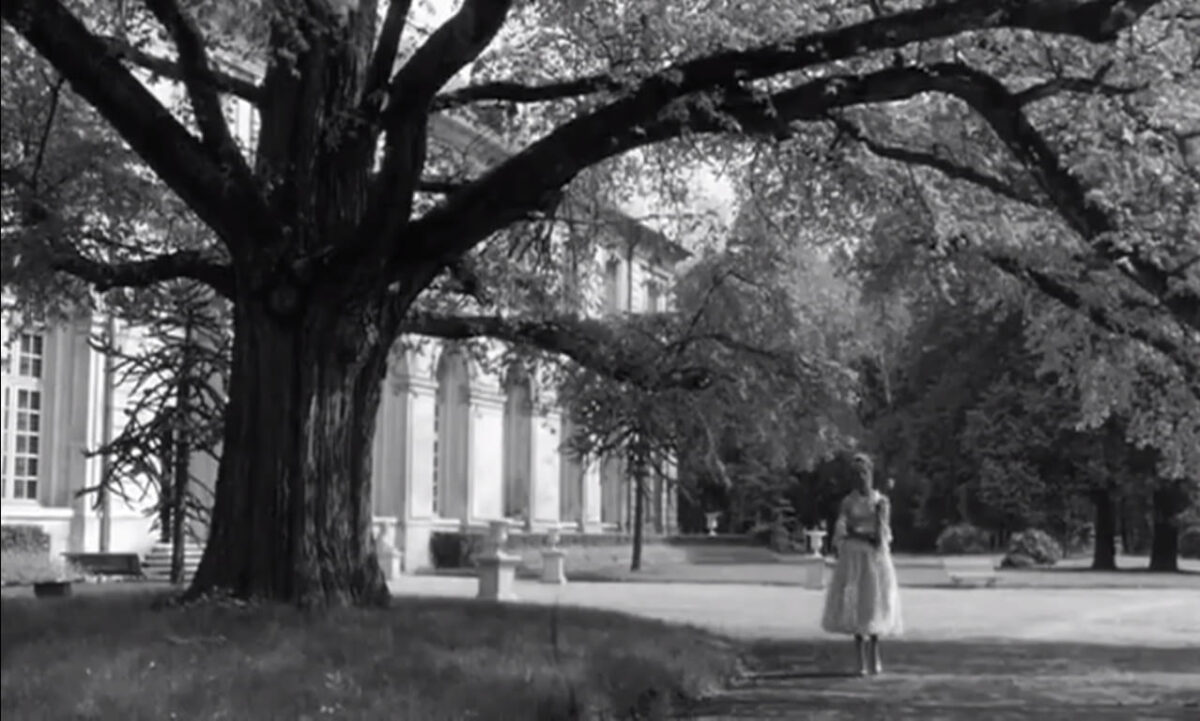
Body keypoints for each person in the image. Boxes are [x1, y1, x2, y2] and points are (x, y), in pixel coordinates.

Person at [820, 452, 902, 675]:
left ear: (871, 474)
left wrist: (864, 530)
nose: (860, 478)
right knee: (855, 603)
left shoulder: (880, 501)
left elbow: (880, 536)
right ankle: (860, 658)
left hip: (874, 559)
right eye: (856, 474)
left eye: (864, 473)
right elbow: (842, 530)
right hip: (853, 557)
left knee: (874, 601)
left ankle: (874, 653)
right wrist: (856, 534)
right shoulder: (848, 502)